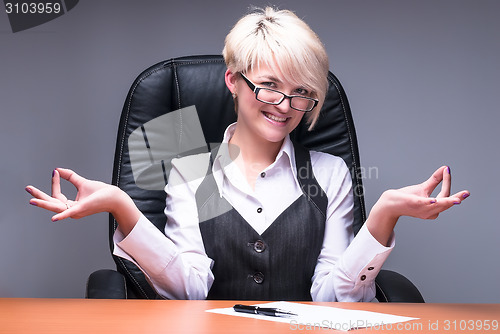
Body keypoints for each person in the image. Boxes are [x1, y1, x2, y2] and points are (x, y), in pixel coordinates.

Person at [25, 7, 469, 301]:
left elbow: (330, 298)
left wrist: (384, 216)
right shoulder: (195, 169)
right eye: (269, 85)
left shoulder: (329, 173)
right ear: (233, 81)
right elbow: (191, 290)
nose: (284, 105)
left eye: (302, 93)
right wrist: (121, 205)